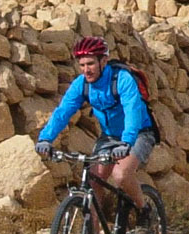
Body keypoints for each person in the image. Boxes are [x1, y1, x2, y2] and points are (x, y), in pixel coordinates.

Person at [34, 36, 157, 214]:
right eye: (82, 65)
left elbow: (133, 111)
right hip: (109, 136)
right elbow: (63, 112)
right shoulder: (81, 84)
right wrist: (46, 138)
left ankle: (143, 210)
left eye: (90, 64)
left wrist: (126, 142)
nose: (86, 70)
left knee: (121, 175)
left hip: (138, 133)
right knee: (93, 180)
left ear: (104, 61)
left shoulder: (122, 79)